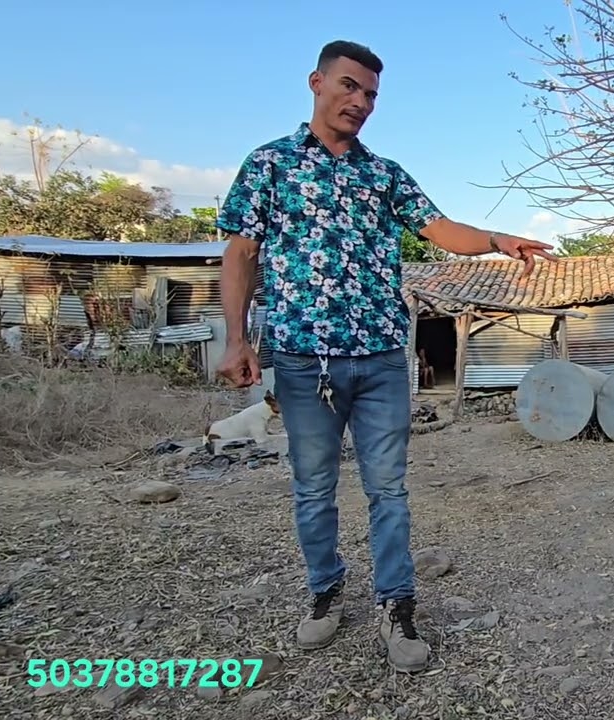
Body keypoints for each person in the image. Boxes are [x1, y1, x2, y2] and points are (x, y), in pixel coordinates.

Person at [214, 40, 556, 673]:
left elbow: (438, 228)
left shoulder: (384, 175)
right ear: (316, 83)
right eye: (349, 87)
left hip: (378, 360)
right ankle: (324, 595)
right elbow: (240, 254)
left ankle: (398, 606)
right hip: (301, 360)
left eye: (370, 94)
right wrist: (237, 339)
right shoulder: (269, 165)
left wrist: (497, 240)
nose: (360, 102)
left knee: (389, 490)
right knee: (314, 488)